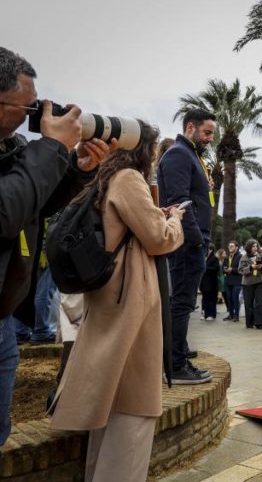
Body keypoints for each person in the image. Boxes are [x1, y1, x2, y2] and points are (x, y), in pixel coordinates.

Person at [50, 121, 184, 481]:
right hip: (131, 300)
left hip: (113, 297)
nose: (156, 158)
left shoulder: (106, 178)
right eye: (154, 151)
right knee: (133, 411)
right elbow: (157, 238)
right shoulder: (129, 179)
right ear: (144, 151)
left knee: (113, 407)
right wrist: (175, 221)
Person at [0, 46, 112, 445]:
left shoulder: (9, 150)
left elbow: (31, 206)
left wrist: (77, 172)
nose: (37, 119)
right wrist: (53, 148)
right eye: (28, 109)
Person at [157, 109, 215, 384]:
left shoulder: (190, 155)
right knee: (181, 303)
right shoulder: (180, 153)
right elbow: (180, 201)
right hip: (186, 242)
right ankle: (175, 366)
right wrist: (196, 240)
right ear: (190, 127)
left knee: (182, 302)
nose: (211, 139)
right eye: (207, 132)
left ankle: (176, 360)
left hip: (191, 240)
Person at [239, 239, 262, 330]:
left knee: (259, 303)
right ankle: (249, 323)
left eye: (256, 246)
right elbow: (241, 270)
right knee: (248, 303)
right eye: (253, 246)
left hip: (260, 282)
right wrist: (251, 267)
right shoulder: (244, 258)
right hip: (248, 283)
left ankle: (259, 323)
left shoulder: (261, 256)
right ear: (249, 247)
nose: (255, 248)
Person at [222, 241, 242, 321]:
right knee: (229, 298)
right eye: (229, 246)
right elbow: (223, 267)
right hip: (228, 281)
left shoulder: (240, 257)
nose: (230, 247)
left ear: (236, 247)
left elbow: (241, 269)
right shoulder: (227, 257)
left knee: (235, 298)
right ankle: (231, 314)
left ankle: (236, 316)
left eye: (232, 246)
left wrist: (232, 270)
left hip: (237, 281)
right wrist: (225, 269)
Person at [200, 245, 220, 320]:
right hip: (204, 282)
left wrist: (205, 268)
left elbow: (216, 268)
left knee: (211, 298)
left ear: (211, 250)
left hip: (212, 282)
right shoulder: (203, 258)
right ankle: (204, 313)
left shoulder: (214, 258)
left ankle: (211, 314)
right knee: (204, 298)